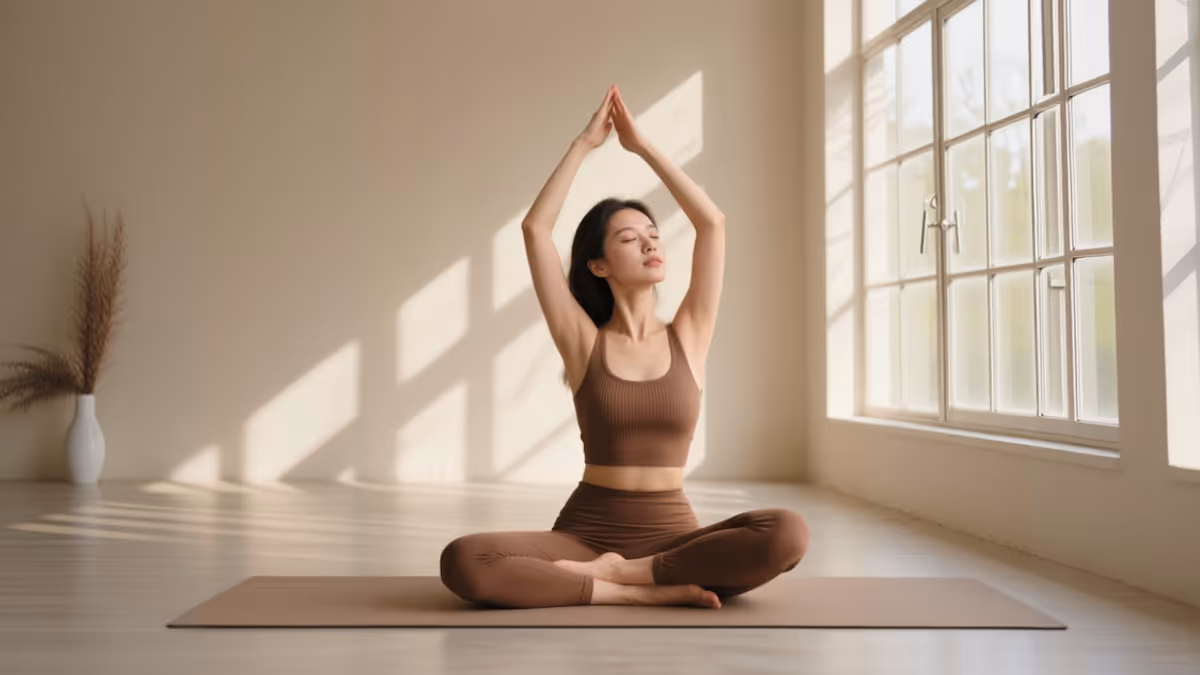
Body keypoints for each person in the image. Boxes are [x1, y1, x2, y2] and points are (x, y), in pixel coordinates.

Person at [439, 84, 808, 609]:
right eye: (629, 238)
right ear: (599, 265)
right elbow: (536, 230)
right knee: (464, 560)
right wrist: (584, 145)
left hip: (675, 541)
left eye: (653, 233)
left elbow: (712, 224)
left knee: (787, 533)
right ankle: (630, 592)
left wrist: (644, 147)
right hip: (585, 537)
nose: (650, 242)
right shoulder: (582, 341)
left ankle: (634, 575)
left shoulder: (689, 334)